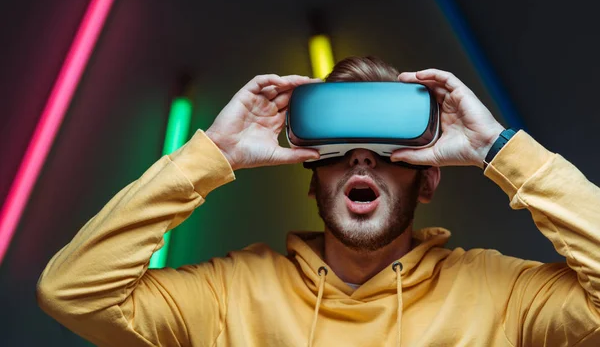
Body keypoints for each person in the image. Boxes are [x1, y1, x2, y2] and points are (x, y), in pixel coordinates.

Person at [37, 56, 600, 346]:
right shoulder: (229, 295)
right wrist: (213, 154)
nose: (361, 158)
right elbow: (72, 292)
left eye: (387, 149)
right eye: (338, 149)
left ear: (427, 181)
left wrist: (495, 148)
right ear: (313, 180)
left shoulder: (501, 297)